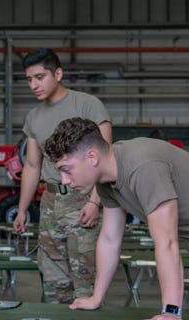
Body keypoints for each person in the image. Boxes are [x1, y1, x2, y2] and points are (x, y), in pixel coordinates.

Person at [44, 117, 188, 320]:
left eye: (67, 170)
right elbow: (110, 239)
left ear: (92, 157)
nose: (65, 181)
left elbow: (167, 243)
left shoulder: (144, 167)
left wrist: (171, 312)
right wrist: (96, 298)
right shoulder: (106, 180)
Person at [12, 47, 112, 304]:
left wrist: (94, 202)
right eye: (29, 79)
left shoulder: (88, 104)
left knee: (85, 278)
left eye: (40, 77)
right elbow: (33, 166)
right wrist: (23, 209)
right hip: (50, 203)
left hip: (83, 200)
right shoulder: (34, 117)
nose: (34, 85)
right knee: (54, 282)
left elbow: (106, 158)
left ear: (58, 74)